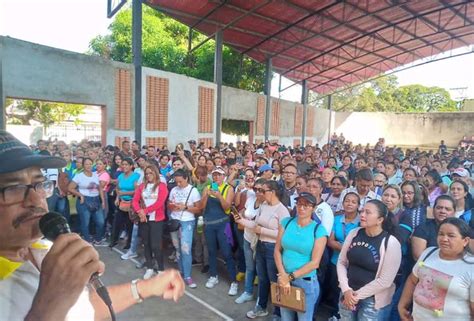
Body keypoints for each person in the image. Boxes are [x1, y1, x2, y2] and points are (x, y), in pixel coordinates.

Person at [0, 130, 184, 321]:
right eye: (14, 188)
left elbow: (82, 309)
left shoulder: (44, 249)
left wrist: (145, 288)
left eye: (39, 184)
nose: (36, 199)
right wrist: (49, 303)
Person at [337, 200, 402, 320]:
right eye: (362, 211)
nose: (362, 215)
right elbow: (341, 262)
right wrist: (346, 289)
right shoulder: (354, 233)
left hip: (372, 301)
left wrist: (355, 296)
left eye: (368, 212)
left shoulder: (391, 243)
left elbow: (385, 280)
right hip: (347, 293)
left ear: (380, 220)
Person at [398, 218, 474, 321]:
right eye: (441, 234)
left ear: (465, 241)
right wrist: (402, 305)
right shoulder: (428, 253)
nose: (444, 239)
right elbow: (412, 280)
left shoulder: (471, 267)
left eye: (451, 236)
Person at [274, 192, 328, 321]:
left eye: (306, 205)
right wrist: (283, 276)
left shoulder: (318, 230)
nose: (302, 208)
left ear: (313, 208)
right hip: (284, 278)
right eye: (299, 204)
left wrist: (289, 277)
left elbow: (315, 263)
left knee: (304, 318)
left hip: (305, 281)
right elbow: (277, 250)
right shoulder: (286, 222)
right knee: (285, 317)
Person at [246, 180, 290, 319]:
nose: (260, 193)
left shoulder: (283, 210)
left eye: (263, 191)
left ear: (273, 192)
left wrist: (263, 231)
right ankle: (261, 306)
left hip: (273, 249)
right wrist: (241, 221)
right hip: (261, 245)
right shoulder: (264, 205)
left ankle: (278, 312)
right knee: (263, 278)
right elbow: (256, 223)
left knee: (274, 281)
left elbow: (283, 234)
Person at [200, 166, 238, 295]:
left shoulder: (229, 189)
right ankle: (213, 275)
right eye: (214, 175)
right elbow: (201, 206)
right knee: (211, 251)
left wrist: (219, 196)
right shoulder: (207, 188)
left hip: (224, 225)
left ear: (223, 176)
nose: (216, 177)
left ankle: (233, 281)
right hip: (209, 224)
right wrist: (206, 195)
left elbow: (227, 207)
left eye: (219, 175)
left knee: (227, 252)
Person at [326, 192, 360, 320]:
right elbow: (330, 241)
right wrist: (347, 247)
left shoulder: (361, 222)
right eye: (347, 201)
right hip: (336, 261)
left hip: (353, 265)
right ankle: (336, 314)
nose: (349, 204)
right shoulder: (336, 219)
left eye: (353, 202)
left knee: (350, 292)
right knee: (335, 290)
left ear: (358, 205)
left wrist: (340, 246)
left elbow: (358, 245)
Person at [132, 164, 168, 280]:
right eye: (146, 173)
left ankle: (161, 269)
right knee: (146, 244)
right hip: (144, 219)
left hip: (156, 220)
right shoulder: (142, 186)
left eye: (151, 173)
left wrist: (145, 211)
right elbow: (135, 201)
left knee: (156, 245)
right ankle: (149, 267)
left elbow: (159, 203)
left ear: (155, 173)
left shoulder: (162, 186)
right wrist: (139, 211)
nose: (148, 175)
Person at [168, 169, 202, 288]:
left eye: (180, 182)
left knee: (185, 249)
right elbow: (169, 204)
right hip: (175, 220)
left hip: (187, 221)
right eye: (176, 182)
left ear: (186, 178)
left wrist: (185, 207)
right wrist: (173, 206)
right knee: (177, 248)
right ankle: (181, 271)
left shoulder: (193, 191)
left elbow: (199, 209)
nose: (178, 184)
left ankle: (187, 275)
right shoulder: (173, 190)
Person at [235, 178, 266, 304]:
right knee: (249, 267)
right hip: (247, 237)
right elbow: (244, 211)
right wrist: (240, 215)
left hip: (260, 240)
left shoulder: (267, 205)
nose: (258, 192)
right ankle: (248, 292)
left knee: (261, 270)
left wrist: (243, 221)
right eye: (255, 189)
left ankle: (261, 298)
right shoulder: (250, 199)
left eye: (261, 190)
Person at [67, 157, 106, 245]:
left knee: (101, 222)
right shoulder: (79, 176)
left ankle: (98, 239)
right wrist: (80, 195)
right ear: (83, 165)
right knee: (85, 223)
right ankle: (87, 241)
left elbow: (100, 188)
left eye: (90, 164)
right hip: (84, 201)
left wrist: (103, 201)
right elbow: (70, 188)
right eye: (86, 164)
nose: (88, 166)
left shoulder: (96, 174)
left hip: (96, 200)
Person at [411, 195, 457, 260]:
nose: (442, 211)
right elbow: (418, 257)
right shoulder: (422, 228)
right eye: (439, 208)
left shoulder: (459, 230)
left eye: (447, 209)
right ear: (433, 209)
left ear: (454, 212)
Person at [110, 158, 140, 255]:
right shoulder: (120, 176)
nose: (124, 166)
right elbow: (118, 188)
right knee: (117, 222)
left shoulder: (136, 176)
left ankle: (129, 244)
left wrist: (125, 193)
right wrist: (117, 198)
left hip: (132, 203)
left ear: (131, 166)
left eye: (126, 164)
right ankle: (113, 241)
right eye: (123, 164)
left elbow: (137, 191)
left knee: (130, 225)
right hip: (122, 202)